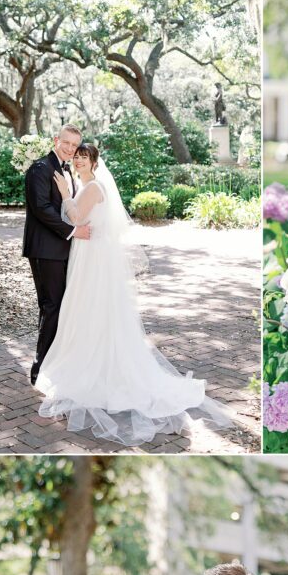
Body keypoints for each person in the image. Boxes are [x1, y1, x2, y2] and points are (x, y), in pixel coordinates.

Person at [34, 142, 228, 445]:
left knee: (91, 308)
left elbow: (74, 217)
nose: (80, 162)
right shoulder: (86, 186)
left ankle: (99, 368)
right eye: (78, 158)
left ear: (95, 163)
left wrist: (64, 195)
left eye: (85, 159)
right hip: (87, 254)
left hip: (92, 259)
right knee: (86, 309)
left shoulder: (93, 188)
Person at [22, 125, 91, 386]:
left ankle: (54, 363)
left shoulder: (67, 170)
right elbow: (41, 208)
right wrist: (74, 231)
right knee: (51, 307)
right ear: (56, 140)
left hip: (61, 249)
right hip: (44, 250)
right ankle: (39, 369)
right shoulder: (40, 168)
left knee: (59, 307)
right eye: (66, 143)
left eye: (74, 145)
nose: (70, 149)